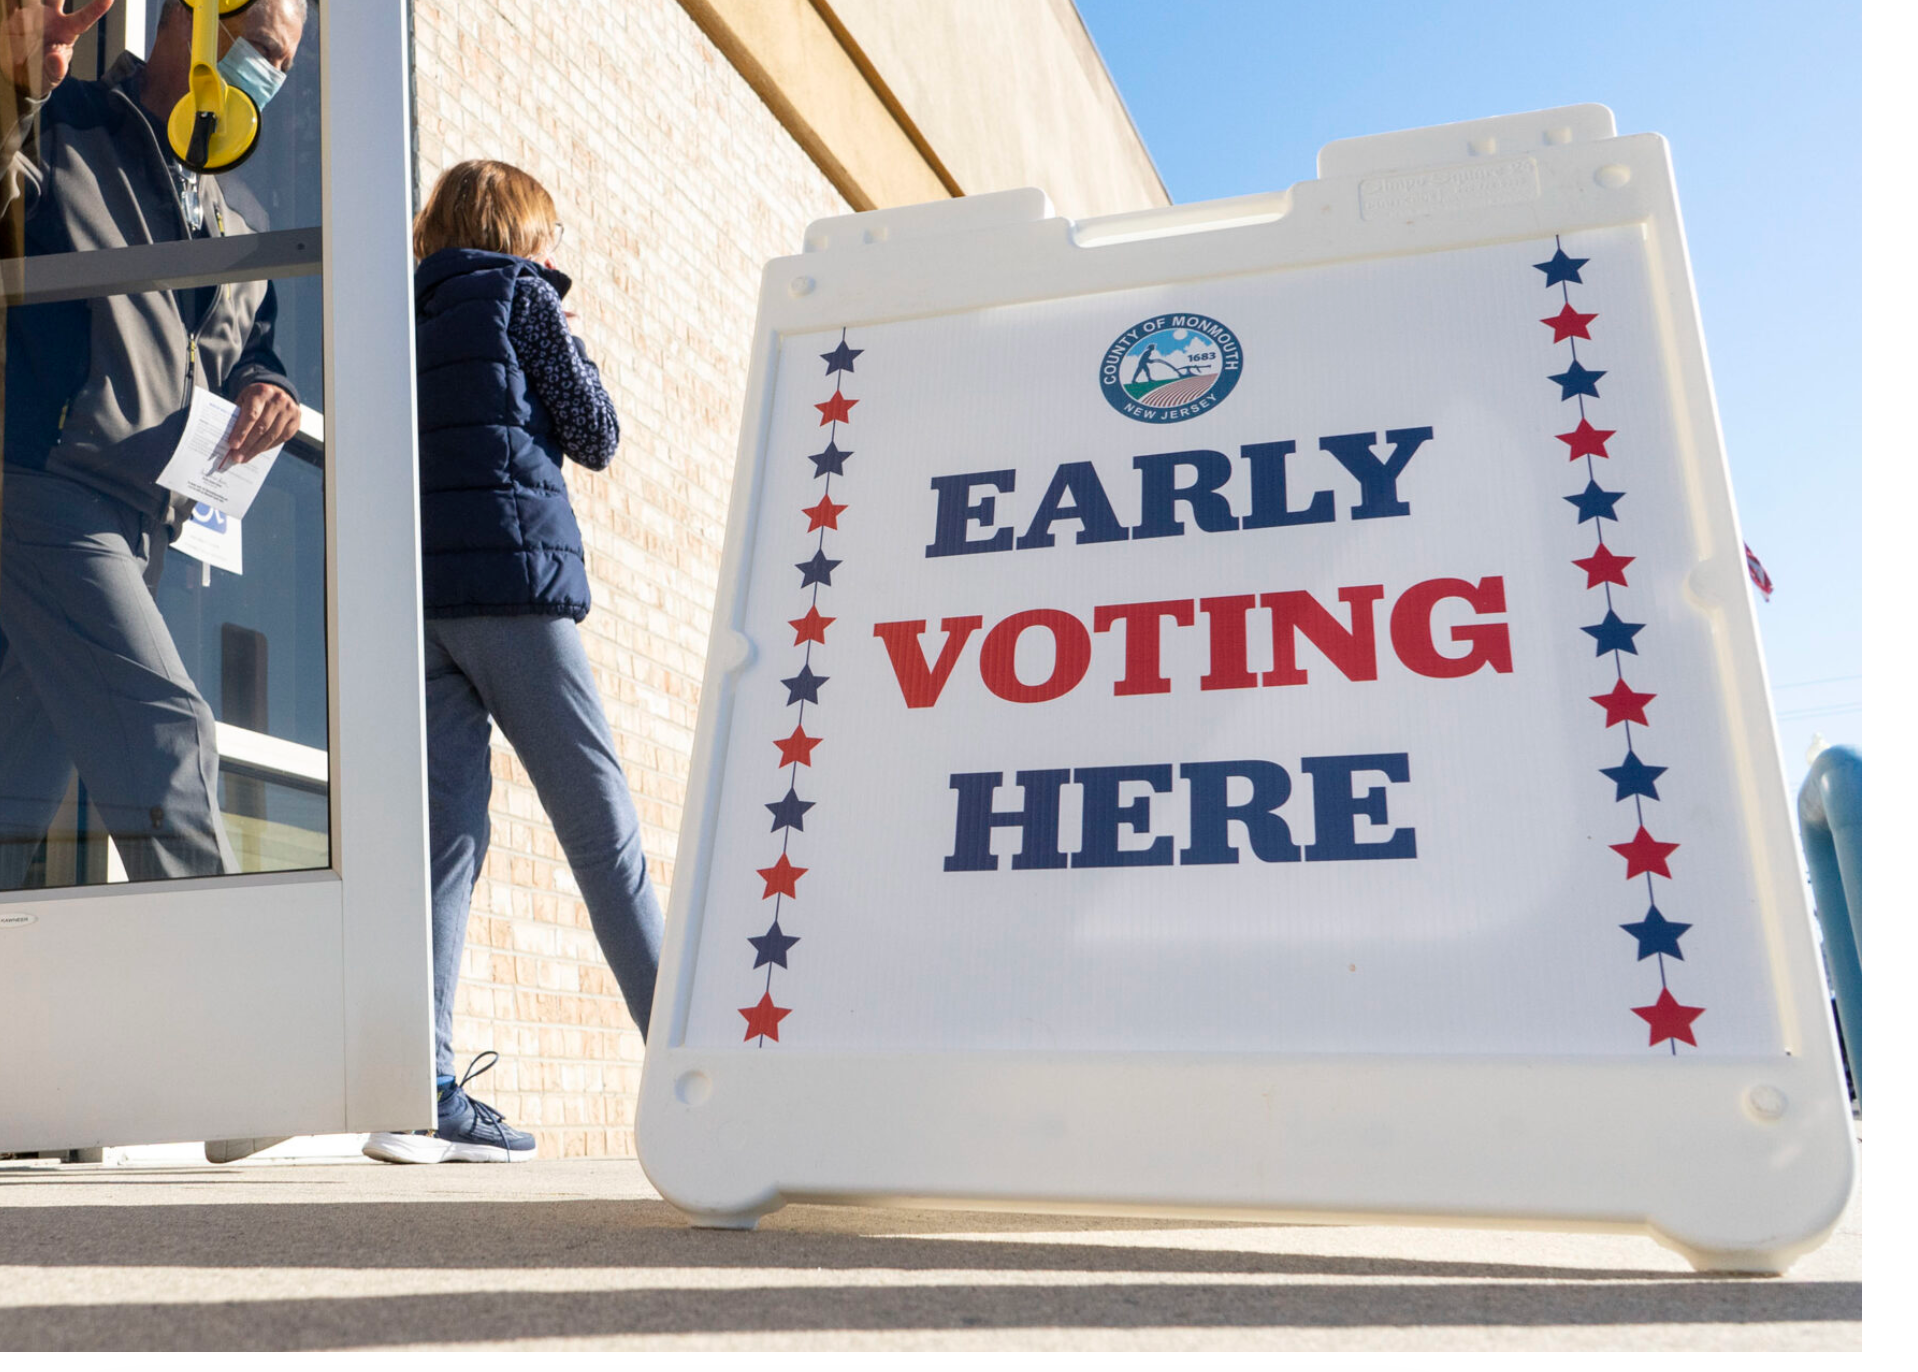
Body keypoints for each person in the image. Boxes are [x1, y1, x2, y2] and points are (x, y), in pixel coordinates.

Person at [361, 161, 664, 1165]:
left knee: (447, 844)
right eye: (551, 232)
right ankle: (694, 1063)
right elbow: (597, 434)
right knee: (602, 829)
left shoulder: (392, 310)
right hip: (513, 594)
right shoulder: (522, 295)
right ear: (523, 232)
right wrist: (574, 347)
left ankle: (424, 1092)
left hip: (419, 604)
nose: (554, 251)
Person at [0, 0, 305, 889]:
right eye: (258, 50)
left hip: (145, 529)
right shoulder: (70, 124)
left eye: (283, 67)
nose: (269, 80)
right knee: (169, 735)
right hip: (51, 488)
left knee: (14, 796)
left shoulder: (231, 206)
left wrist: (272, 388)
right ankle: (229, 1007)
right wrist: (18, 81)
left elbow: (253, 340)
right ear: (190, 22)